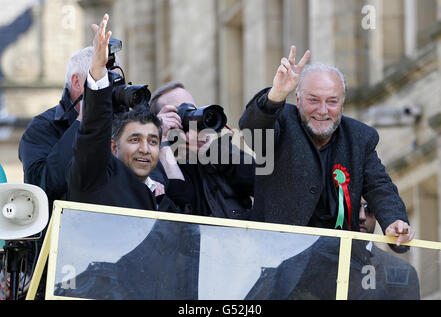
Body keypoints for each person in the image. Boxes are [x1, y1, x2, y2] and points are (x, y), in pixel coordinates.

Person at [239, 45, 414, 248]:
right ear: (298, 99)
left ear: (342, 103)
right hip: (276, 260)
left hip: (338, 265)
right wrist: (276, 94)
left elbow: (380, 187)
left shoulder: (360, 138)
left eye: (332, 102)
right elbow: (252, 129)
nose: (323, 111)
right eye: (313, 100)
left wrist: (395, 221)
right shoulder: (281, 121)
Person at [67, 14, 174, 213]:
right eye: (134, 139)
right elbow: (92, 138)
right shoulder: (95, 183)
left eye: (152, 142)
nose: (144, 149)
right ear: (114, 147)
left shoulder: (164, 199)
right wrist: (98, 72)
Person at [149, 81, 256, 220]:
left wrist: (213, 150)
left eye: (191, 109)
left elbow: (259, 181)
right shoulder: (150, 166)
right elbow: (178, 204)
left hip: (232, 238)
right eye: (178, 111)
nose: (188, 116)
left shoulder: (216, 153)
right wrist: (161, 140)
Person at [18, 46, 93, 212]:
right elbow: (42, 188)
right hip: (63, 232)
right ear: (77, 82)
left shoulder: (124, 124)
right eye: (101, 80)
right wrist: (81, 124)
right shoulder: (42, 127)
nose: (108, 88)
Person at [359, 199, 420, 299]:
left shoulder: (403, 271)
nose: (362, 216)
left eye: (369, 209)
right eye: (354, 208)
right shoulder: (325, 261)